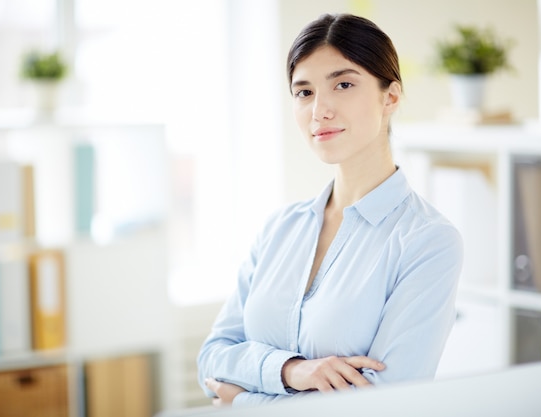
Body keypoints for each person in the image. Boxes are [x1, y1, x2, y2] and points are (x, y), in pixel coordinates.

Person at [197, 12, 463, 408]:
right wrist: (290, 370)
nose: (320, 110)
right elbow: (212, 357)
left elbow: (382, 405)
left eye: (343, 84)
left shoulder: (428, 241)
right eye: (304, 92)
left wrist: (243, 402)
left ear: (389, 96)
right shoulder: (279, 229)